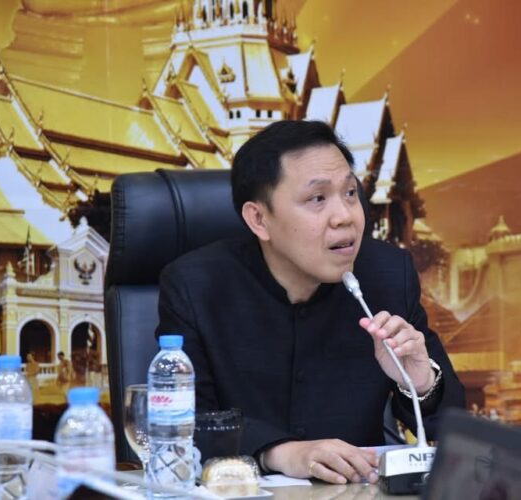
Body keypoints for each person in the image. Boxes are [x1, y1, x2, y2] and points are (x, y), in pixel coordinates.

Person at [157, 120, 465, 485]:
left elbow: (454, 428)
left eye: (350, 193)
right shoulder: (197, 286)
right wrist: (281, 452)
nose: (345, 216)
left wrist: (421, 383)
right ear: (259, 219)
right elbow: (181, 424)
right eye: (317, 199)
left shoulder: (387, 274)